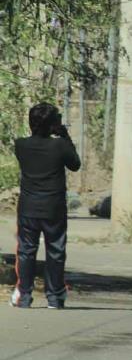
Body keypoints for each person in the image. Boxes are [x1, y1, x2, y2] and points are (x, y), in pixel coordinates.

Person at [9, 102, 81, 309]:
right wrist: (64, 136)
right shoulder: (59, 145)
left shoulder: (20, 145)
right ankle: (55, 297)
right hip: (54, 208)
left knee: (26, 251)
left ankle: (24, 296)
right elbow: (74, 164)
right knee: (56, 251)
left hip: (28, 207)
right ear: (52, 125)